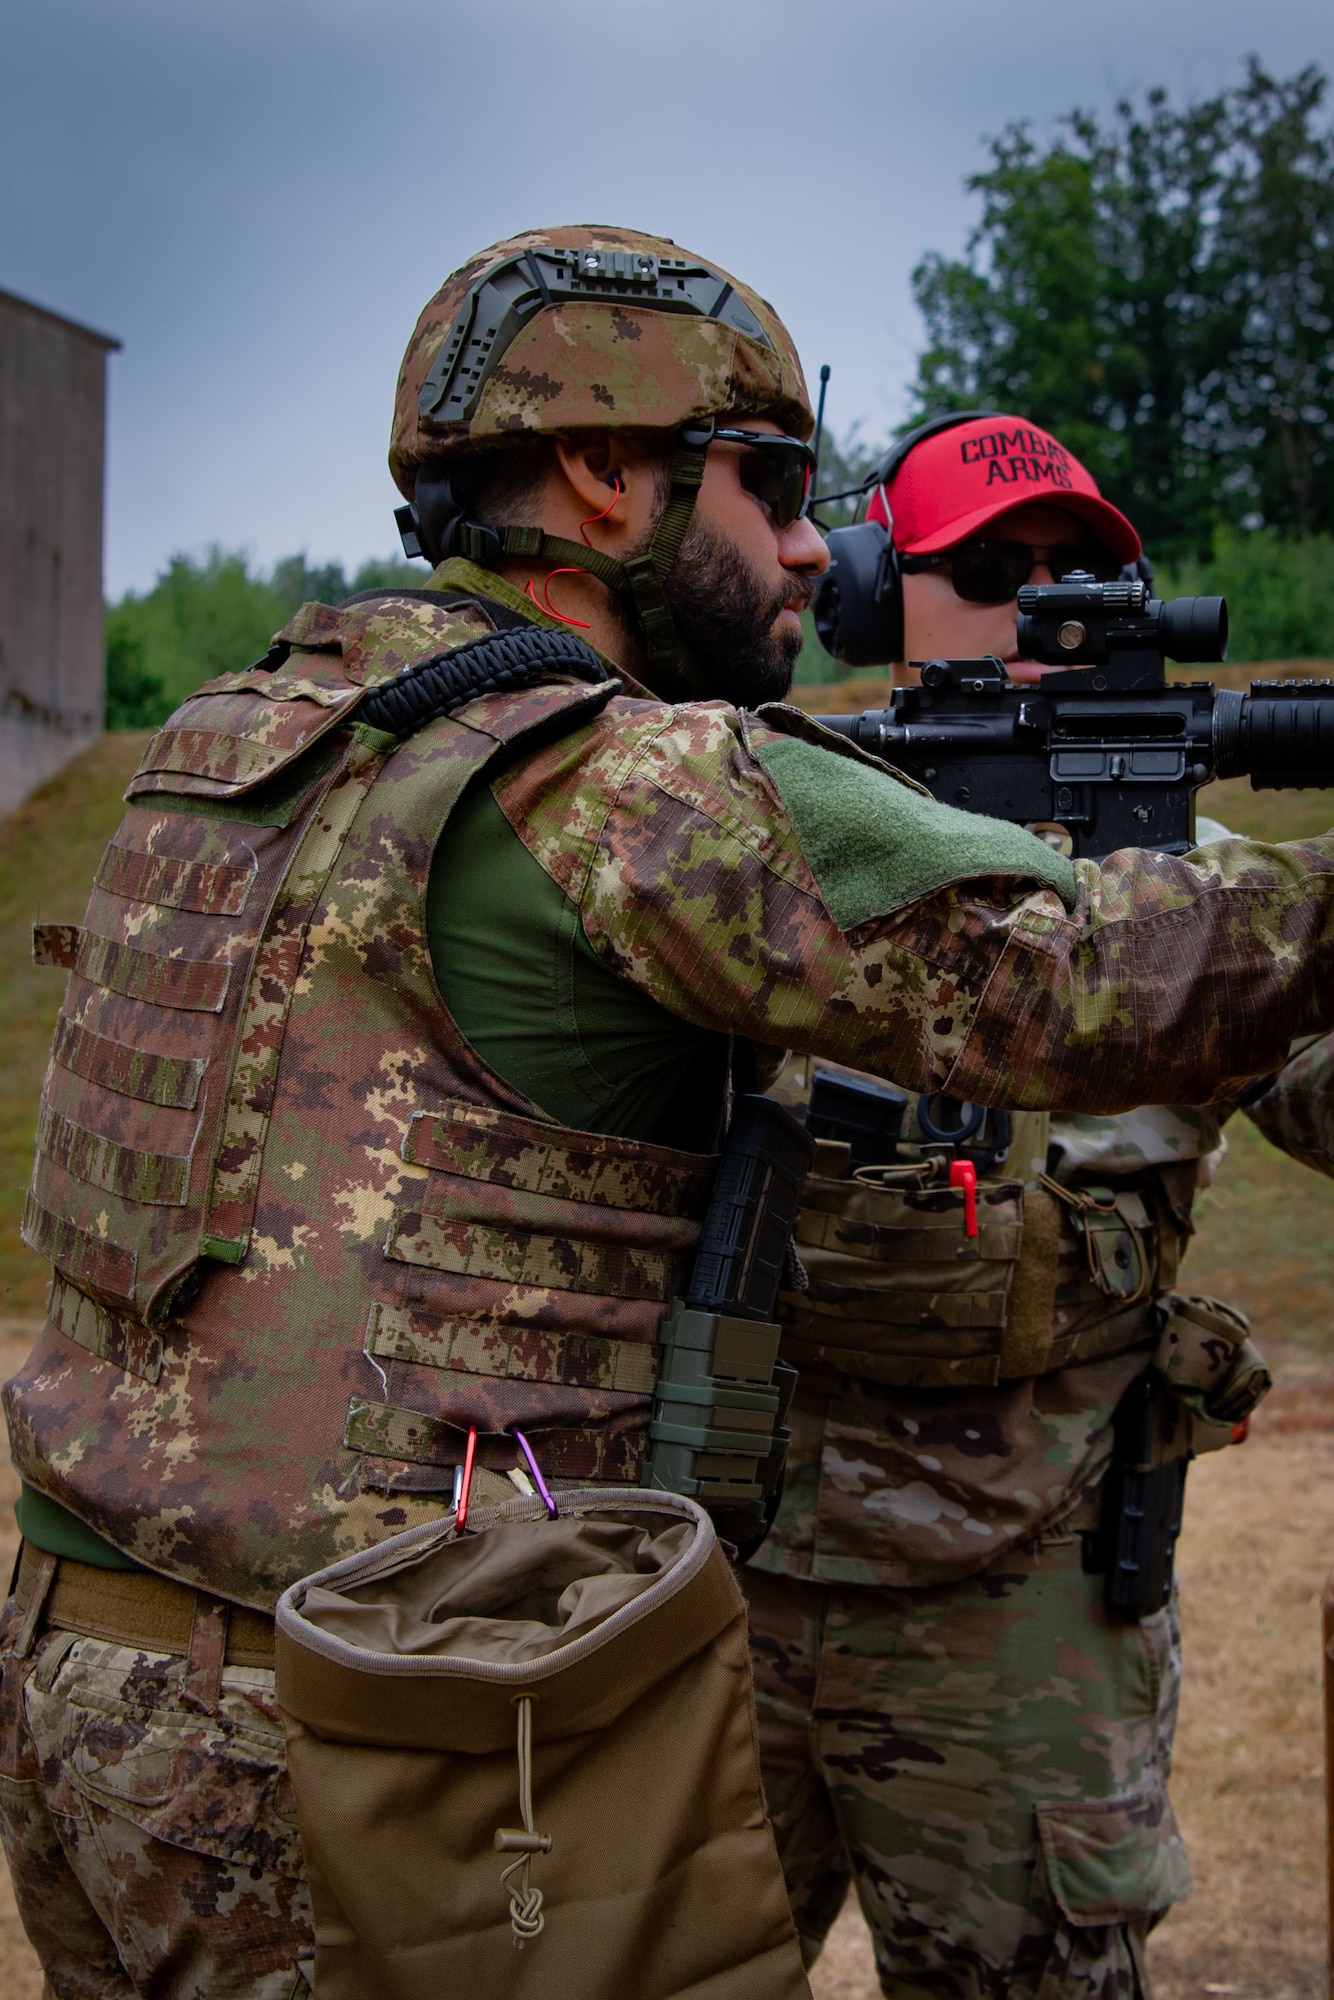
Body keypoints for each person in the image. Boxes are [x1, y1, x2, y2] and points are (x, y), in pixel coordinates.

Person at [4, 234, 1334, 1998]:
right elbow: (1074, 978)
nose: (810, 546)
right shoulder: (610, 780)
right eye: (774, 486)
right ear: (606, 472)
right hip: (334, 1727)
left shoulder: (244, 732)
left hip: (81, 1670)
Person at [743, 412, 1288, 1999]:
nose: (1047, 604)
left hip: (1025, 1623)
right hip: (723, 1579)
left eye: (1084, 571)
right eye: (989, 571)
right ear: (870, 597)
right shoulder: (747, 837)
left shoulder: (1204, 892)